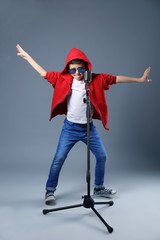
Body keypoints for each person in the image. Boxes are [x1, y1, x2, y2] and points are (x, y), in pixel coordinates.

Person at [16, 44, 151, 204]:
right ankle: (49, 191)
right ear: (68, 69)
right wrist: (28, 57)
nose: (77, 73)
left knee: (102, 156)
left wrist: (139, 79)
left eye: (80, 69)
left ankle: (99, 187)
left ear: (86, 67)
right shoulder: (63, 79)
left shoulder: (96, 79)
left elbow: (116, 79)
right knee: (59, 158)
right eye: (73, 70)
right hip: (70, 128)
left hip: (88, 129)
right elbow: (43, 73)